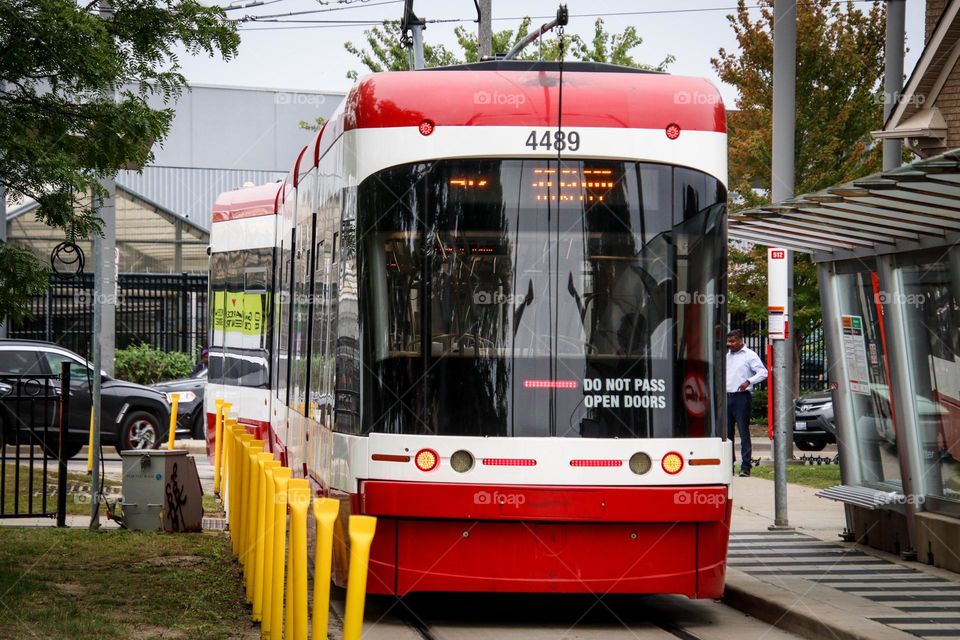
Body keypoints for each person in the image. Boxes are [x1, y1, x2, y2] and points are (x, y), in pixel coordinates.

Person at [726, 329, 768, 477]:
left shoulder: (750, 355)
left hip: (741, 397)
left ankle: (745, 467)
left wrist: (749, 381)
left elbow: (763, 372)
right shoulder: (727, 356)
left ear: (740, 340)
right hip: (727, 397)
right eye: (728, 341)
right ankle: (728, 465)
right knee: (727, 435)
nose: (729, 344)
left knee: (743, 432)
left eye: (732, 341)